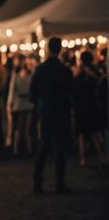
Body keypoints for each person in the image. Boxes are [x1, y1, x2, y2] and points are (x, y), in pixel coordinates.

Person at [31, 37, 73, 193]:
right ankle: (59, 183)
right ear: (60, 49)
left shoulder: (40, 69)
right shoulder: (65, 70)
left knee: (43, 146)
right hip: (61, 112)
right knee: (59, 147)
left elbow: (33, 94)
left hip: (46, 111)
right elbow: (70, 92)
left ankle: (37, 182)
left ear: (48, 49)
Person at [72, 51, 105, 167]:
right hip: (93, 106)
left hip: (81, 107)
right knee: (95, 133)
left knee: (82, 134)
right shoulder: (96, 73)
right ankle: (102, 157)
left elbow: (74, 90)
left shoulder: (78, 74)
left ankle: (82, 159)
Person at [7, 55, 34, 156]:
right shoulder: (18, 76)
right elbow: (12, 90)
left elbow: (12, 91)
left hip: (24, 103)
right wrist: (10, 103)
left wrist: (10, 103)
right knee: (20, 128)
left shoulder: (27, 76)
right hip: (22, 103)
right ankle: (20, 148)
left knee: (23, 128)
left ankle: (22, 148)